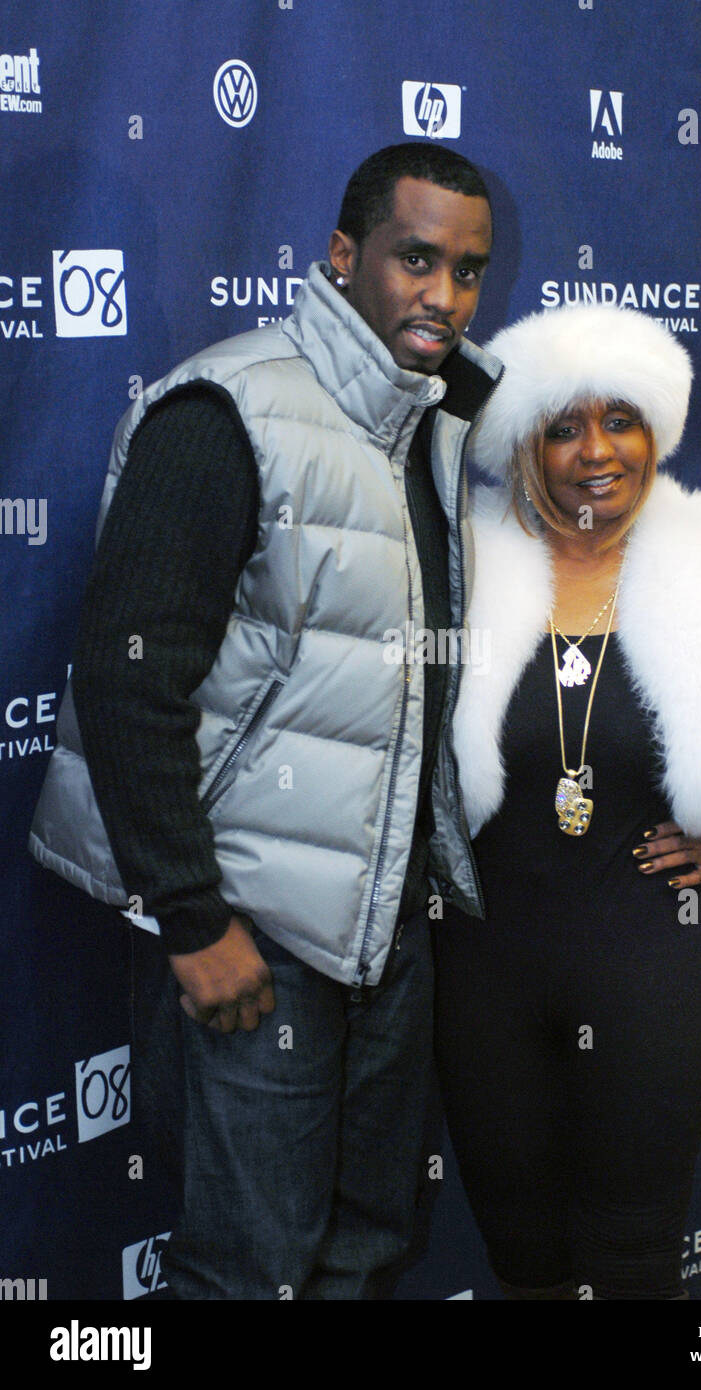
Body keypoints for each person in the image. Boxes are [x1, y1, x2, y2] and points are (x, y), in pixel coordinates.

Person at [29, 143, 500, 1299]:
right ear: (343, 259)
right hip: (252, 934)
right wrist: (193, 918)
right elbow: (125, 674)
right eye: (415, 260)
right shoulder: (227, 409)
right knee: (250, 1271)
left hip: (386, 931)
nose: (443, 295)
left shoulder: (431, 433)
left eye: (469, 271)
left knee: (365, 1248)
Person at [435, 301, 701, 1300]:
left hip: (650, 966)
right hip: (478, 966)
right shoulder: (453, 560)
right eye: (563, 426)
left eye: (620, 418)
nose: (597, 451)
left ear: (657, 428)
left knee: (632, 1257)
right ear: (520, 443)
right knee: (521, 1251)